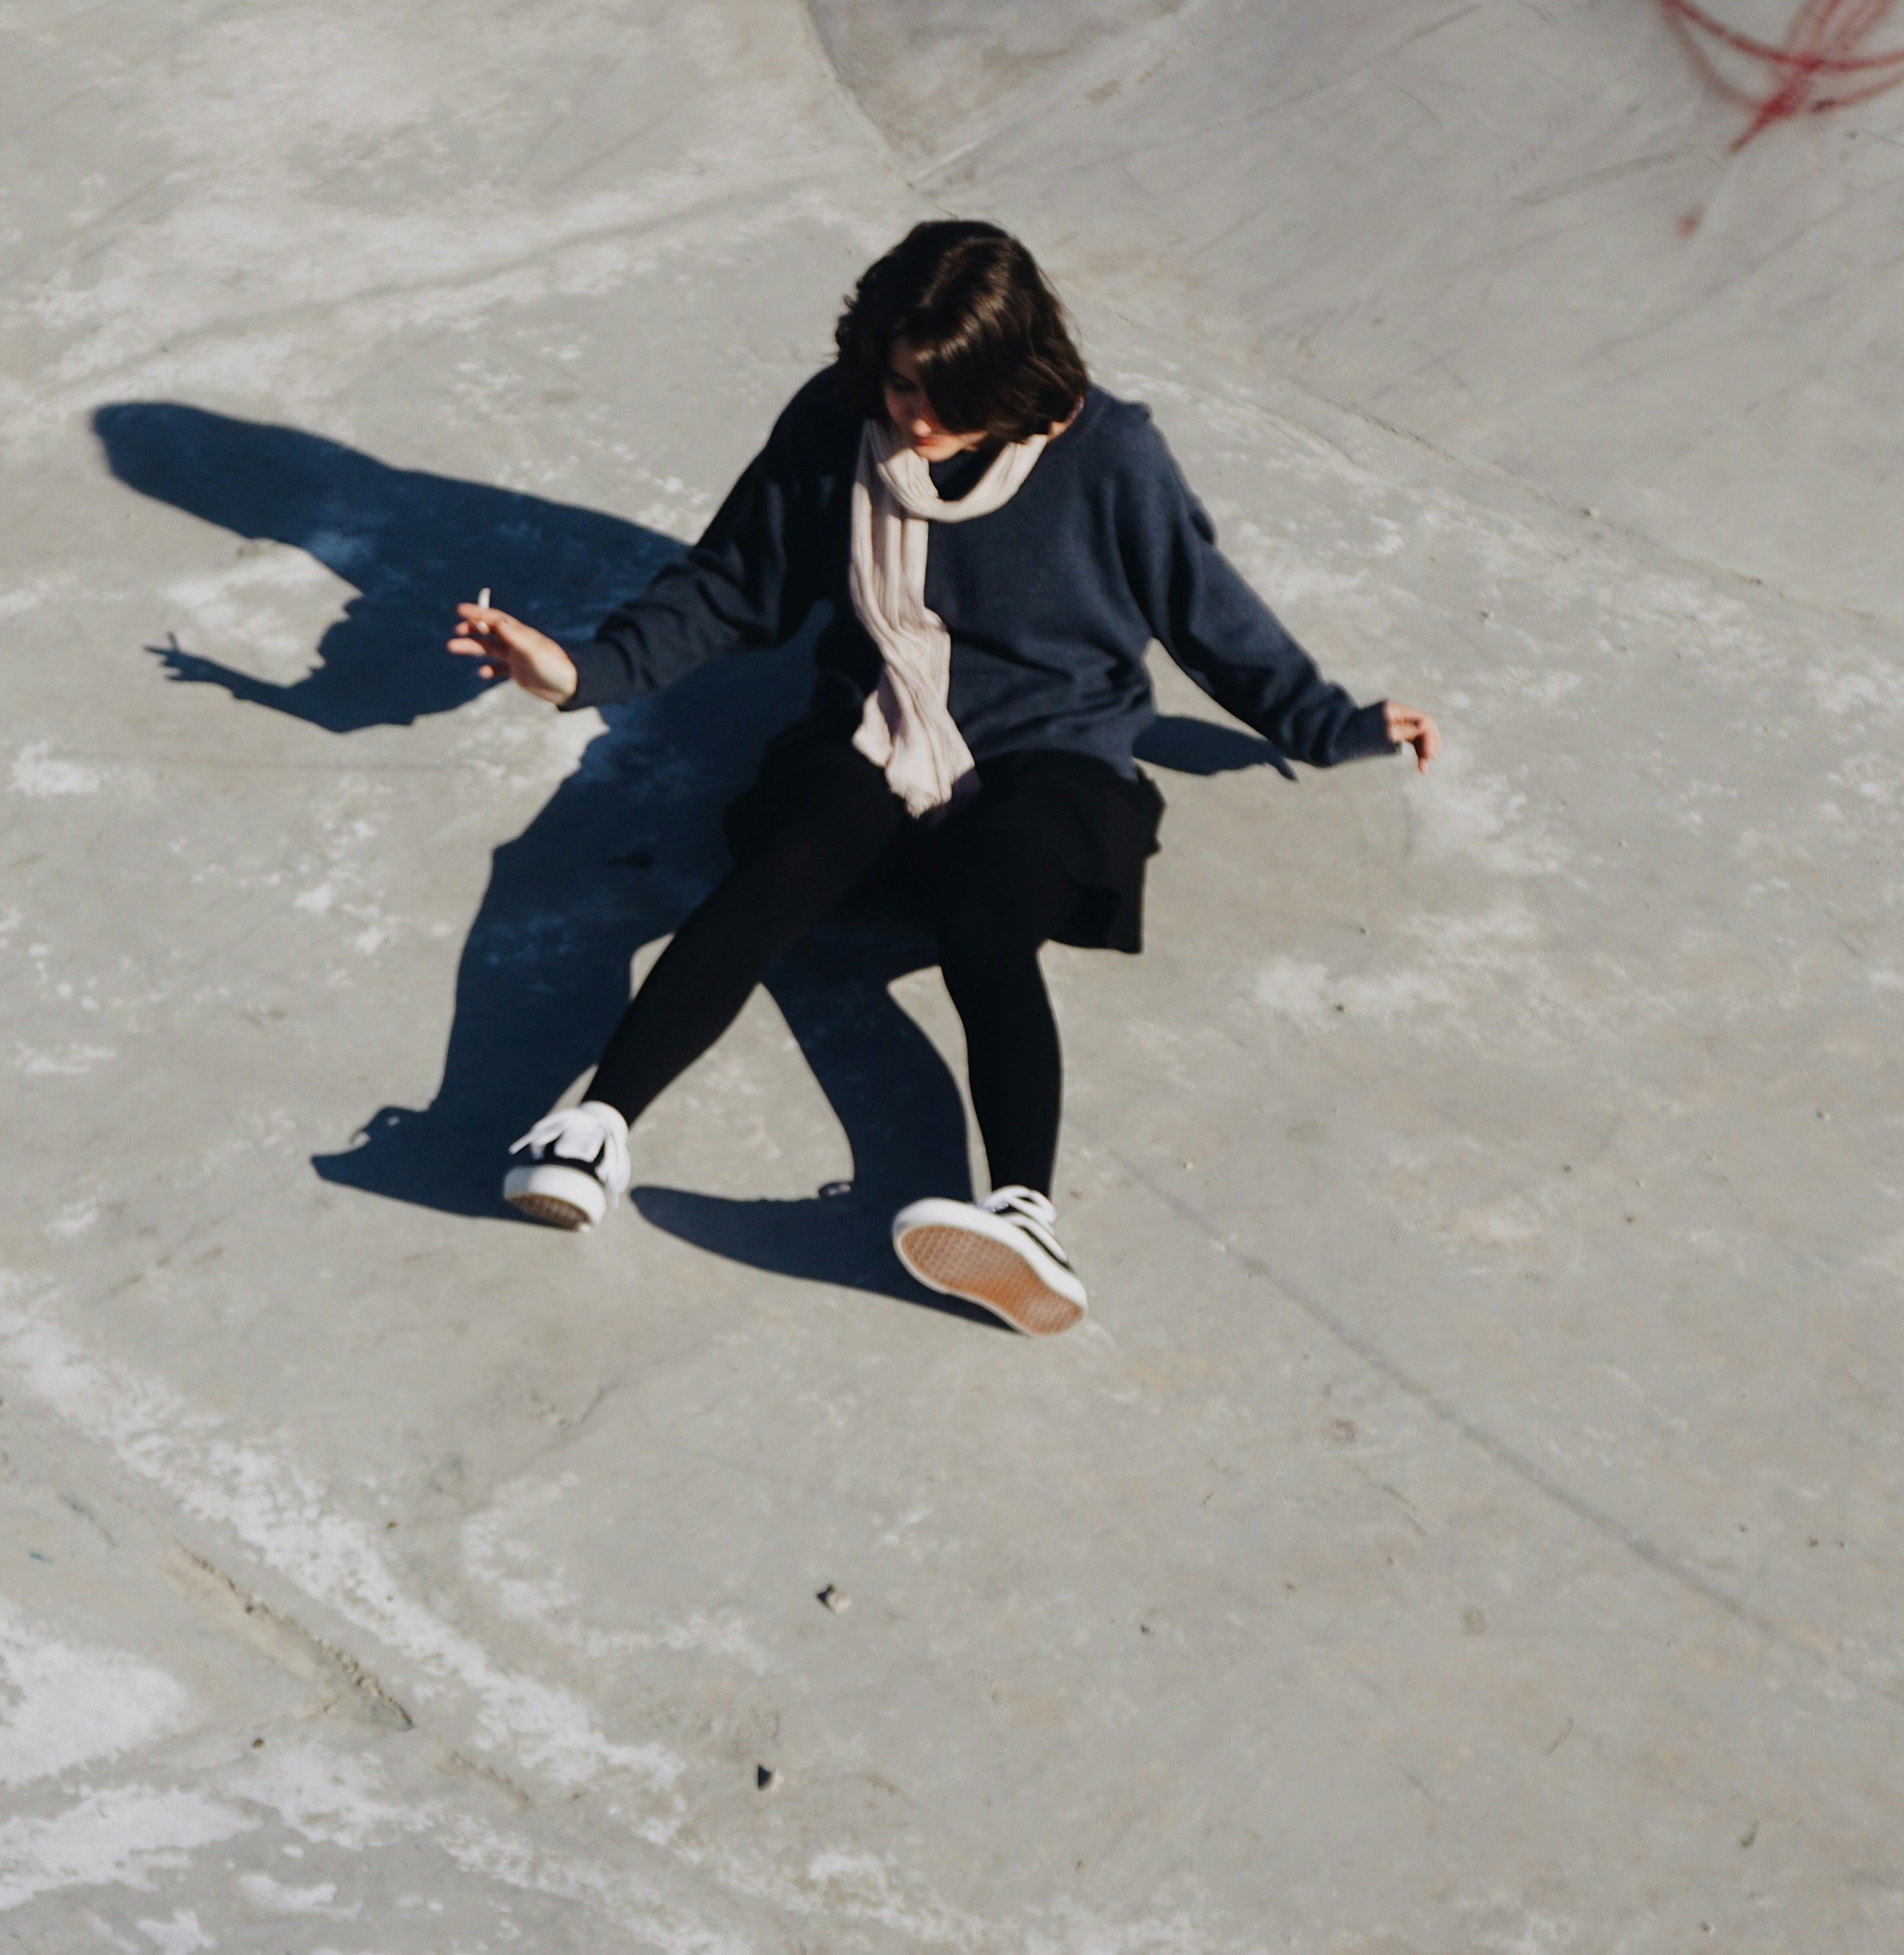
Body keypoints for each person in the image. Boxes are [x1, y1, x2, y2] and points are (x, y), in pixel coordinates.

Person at [447, 224, 1435, 1336]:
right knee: (780, 870)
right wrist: (580, 671)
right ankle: (592, 1130)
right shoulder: (836, 425)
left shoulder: (1110, 454)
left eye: (949, 394)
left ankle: (1022, 1216)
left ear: (1018, 374)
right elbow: (730, 585)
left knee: (988, 918)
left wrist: (1328, 723)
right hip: (878, 723)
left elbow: (1205, 608)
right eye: (903, 383)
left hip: (1048, 751)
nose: (916, 419)